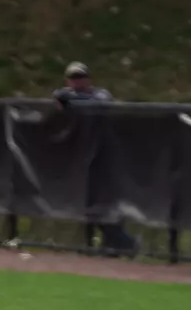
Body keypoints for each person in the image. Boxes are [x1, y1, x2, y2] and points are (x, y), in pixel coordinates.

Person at [51, 61, 137, 256]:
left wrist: (71, 104)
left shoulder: (100, 93)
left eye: (80, 77)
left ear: (88, 79)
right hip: (81, 160)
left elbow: (100, 103)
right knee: (90, 205)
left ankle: (125, 243)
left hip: (107, 158)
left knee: (105, 204)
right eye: (73, 78)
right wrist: (69, 101)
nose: (77, 82)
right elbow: (57, 97)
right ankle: (115, 245)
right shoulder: (65, 94)